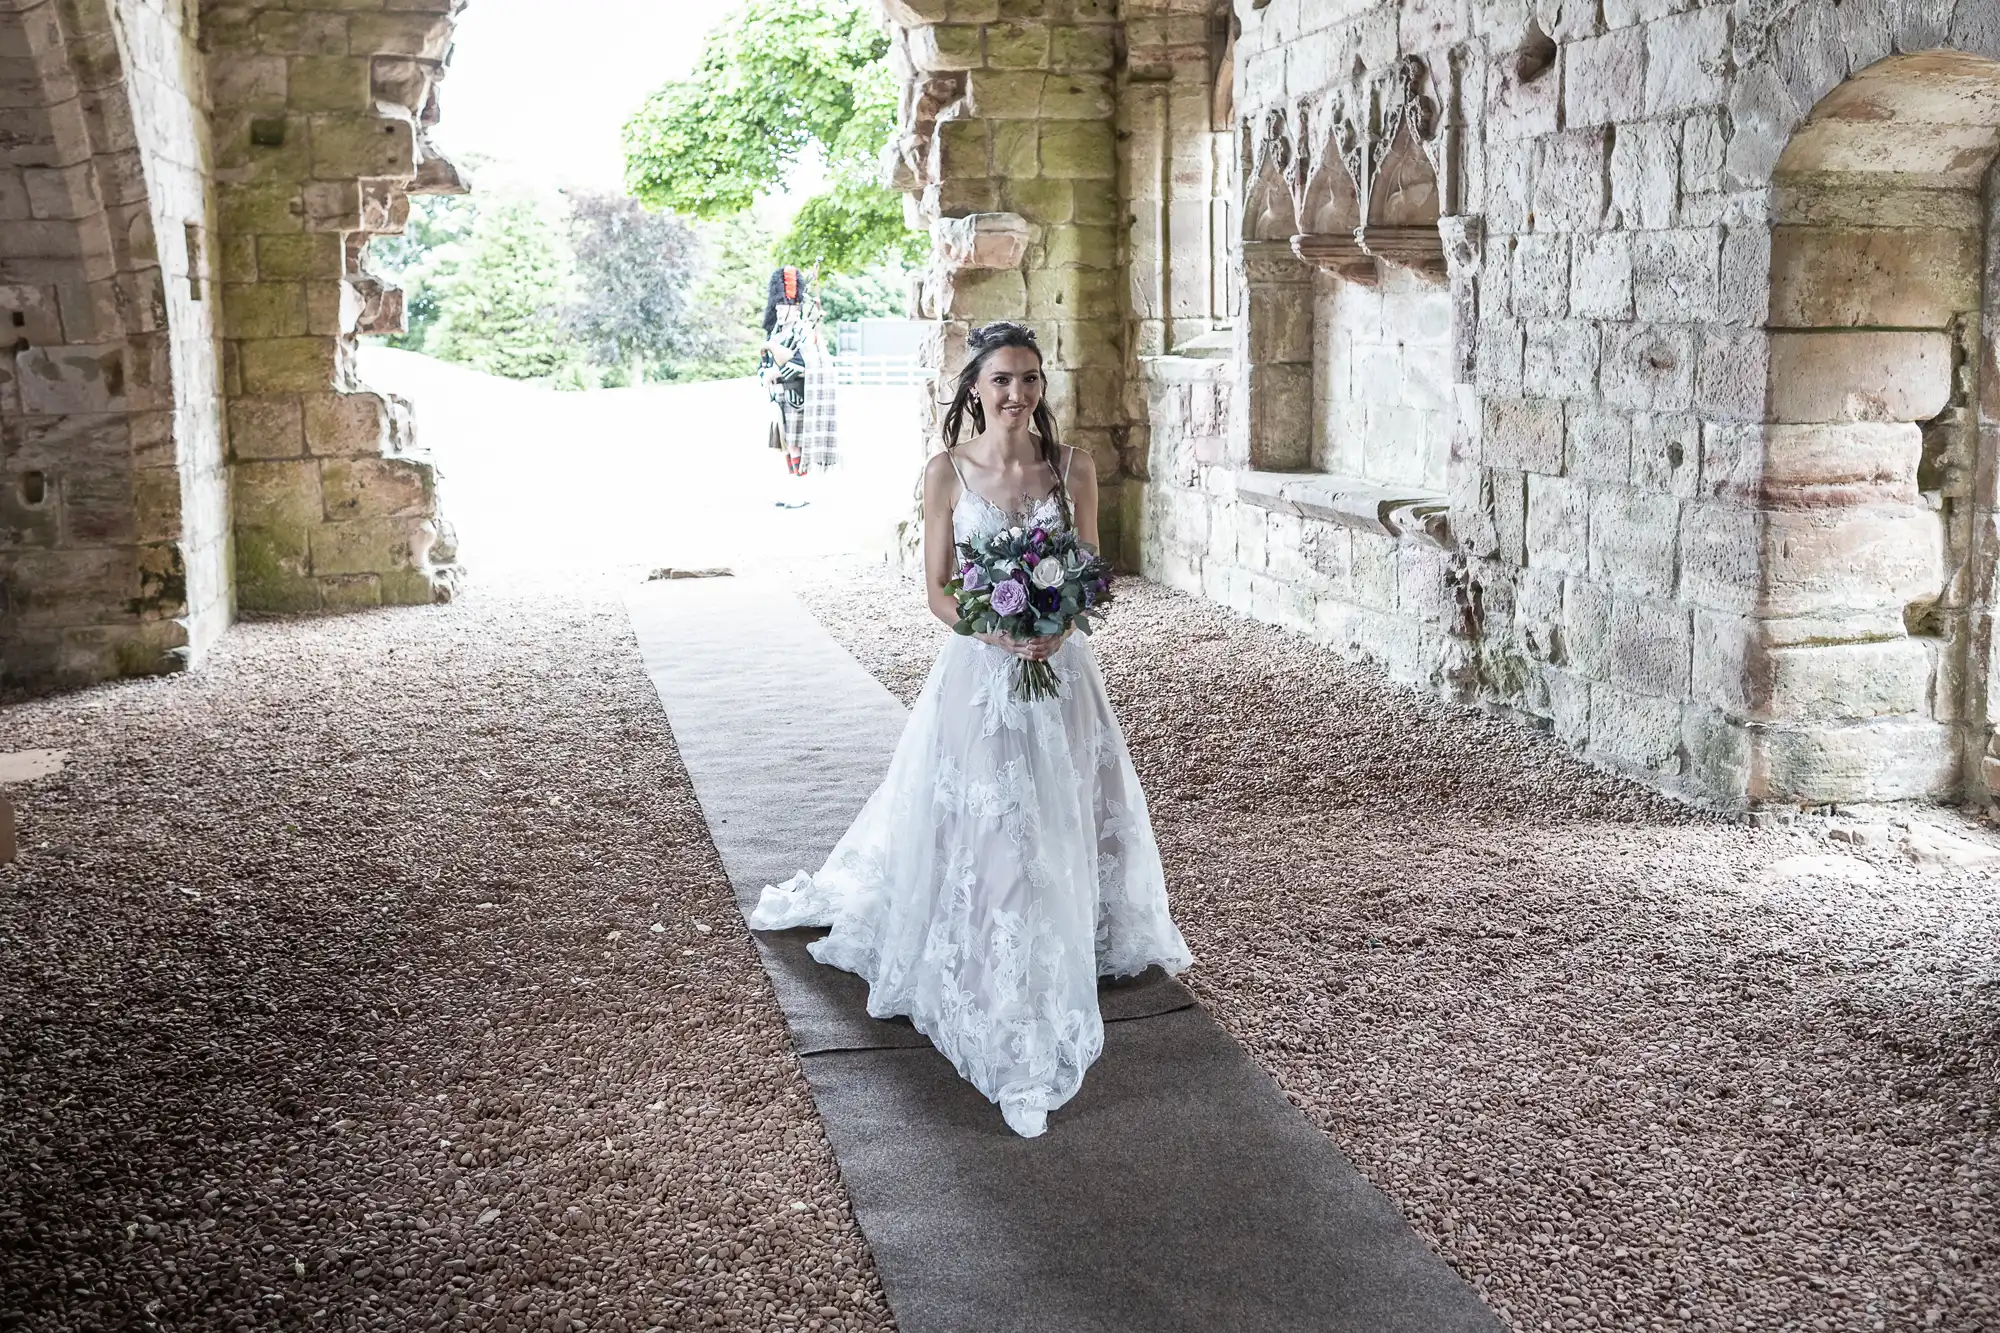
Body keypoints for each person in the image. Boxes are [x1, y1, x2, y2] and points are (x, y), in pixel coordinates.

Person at [750, 321, 1193, 1138]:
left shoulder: (1074, 468)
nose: (1018, 394)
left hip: (1060, 672)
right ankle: (1003, 977)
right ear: (974, 390)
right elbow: (939, 593)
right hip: (980, 675)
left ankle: (1068, 932)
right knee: (994, 818)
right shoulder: (946, 473)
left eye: (1030, 379)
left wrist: (1061, 620)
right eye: (1002, 381)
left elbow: (1091, 573)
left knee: (1059, 807)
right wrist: (995, 631)